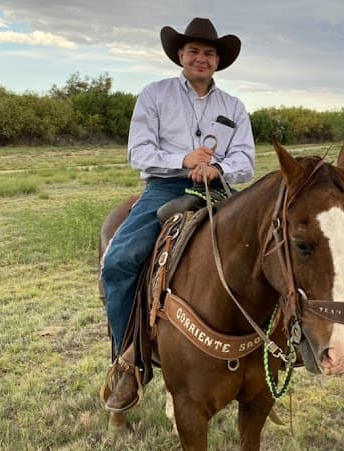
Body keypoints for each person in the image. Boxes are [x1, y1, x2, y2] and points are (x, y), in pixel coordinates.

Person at [100, 17, 256, 412]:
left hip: (217, 188)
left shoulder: (233, 106)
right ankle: (128, 362)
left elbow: (245, 158)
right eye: (193, 51)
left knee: (263, 251)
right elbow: (138, 152)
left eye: (208, 52)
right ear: (180, 55)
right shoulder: (154, 95)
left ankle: (270, 344)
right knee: (118, 263)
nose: (200, 58)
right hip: (166, 187)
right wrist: (182, 160)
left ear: (218, 60)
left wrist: (218, 168)